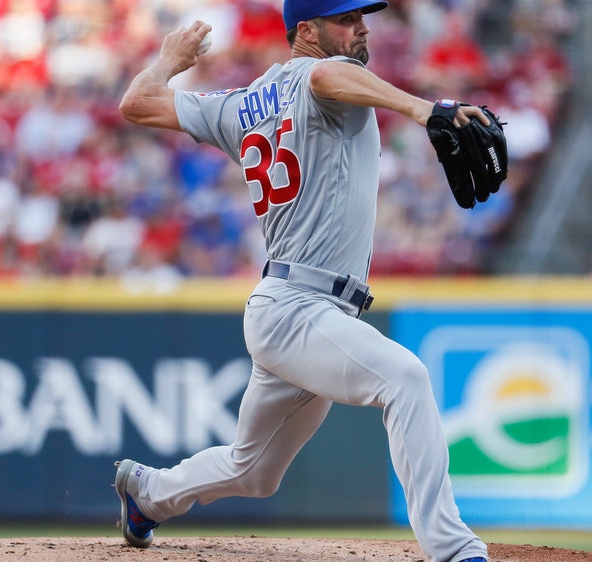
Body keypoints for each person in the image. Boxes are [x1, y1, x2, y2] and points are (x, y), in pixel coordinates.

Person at [112, 2, 492, 562]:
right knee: (405, 378)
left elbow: (137, 103)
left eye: (363, 16)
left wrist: (168, 62)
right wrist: (423, 108)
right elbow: (322, 75)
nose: (361, 27)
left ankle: (148, 494)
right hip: (300, 306)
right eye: (346, 19)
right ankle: (455, 549)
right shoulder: (324, 71)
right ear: (306, 32)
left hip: (298, 310)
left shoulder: (239, 105)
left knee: (254, 470)